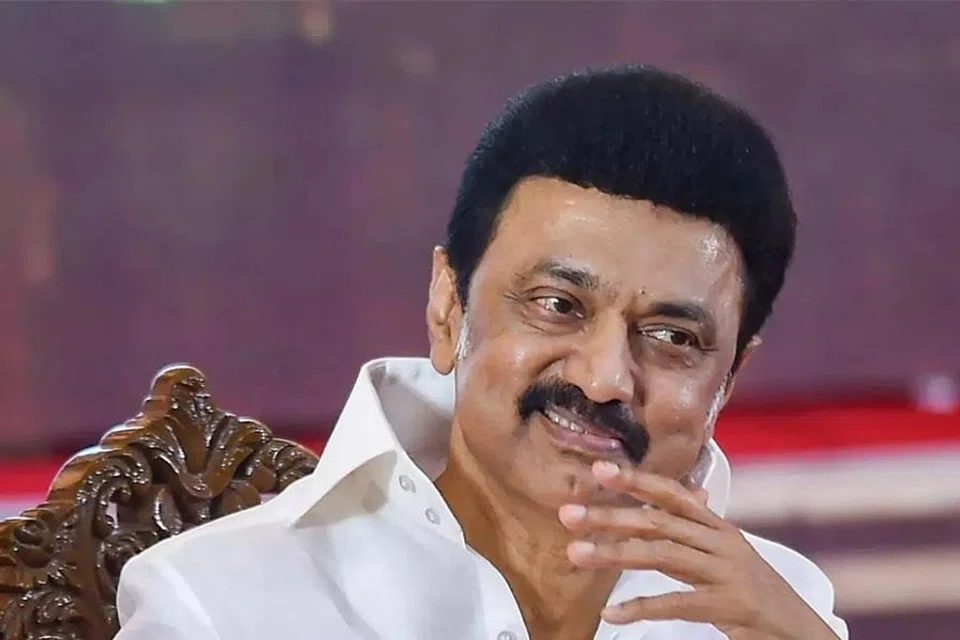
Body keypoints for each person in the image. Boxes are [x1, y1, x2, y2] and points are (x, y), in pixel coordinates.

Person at [116, 65, 847, 639]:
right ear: (448, 306)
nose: (603, 379)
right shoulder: (219, 605)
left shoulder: (772, 610)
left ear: (730, 379)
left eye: (671, 338)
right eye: (558, 305)